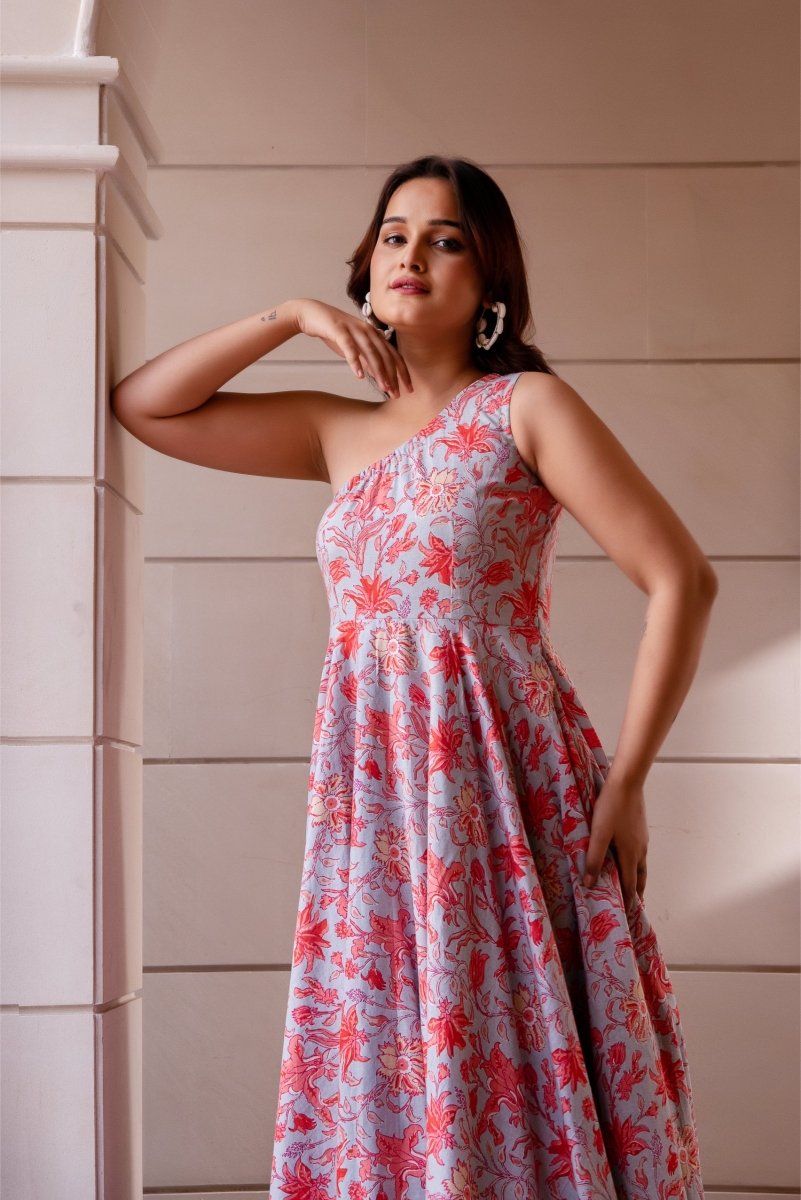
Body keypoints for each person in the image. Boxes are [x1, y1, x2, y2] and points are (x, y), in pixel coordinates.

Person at [112, 154, 716, 1199]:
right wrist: (291, 315)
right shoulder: (334, 430)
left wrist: (628, 782)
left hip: (500, 780)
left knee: (509, 1031)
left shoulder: (527, 406)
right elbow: (146, 407)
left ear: (490, 282)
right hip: (377, 795)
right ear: (366, 266)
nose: (413, 256)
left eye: (446, 240)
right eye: (395, 235)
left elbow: (682, 579)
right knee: (396, 1037)